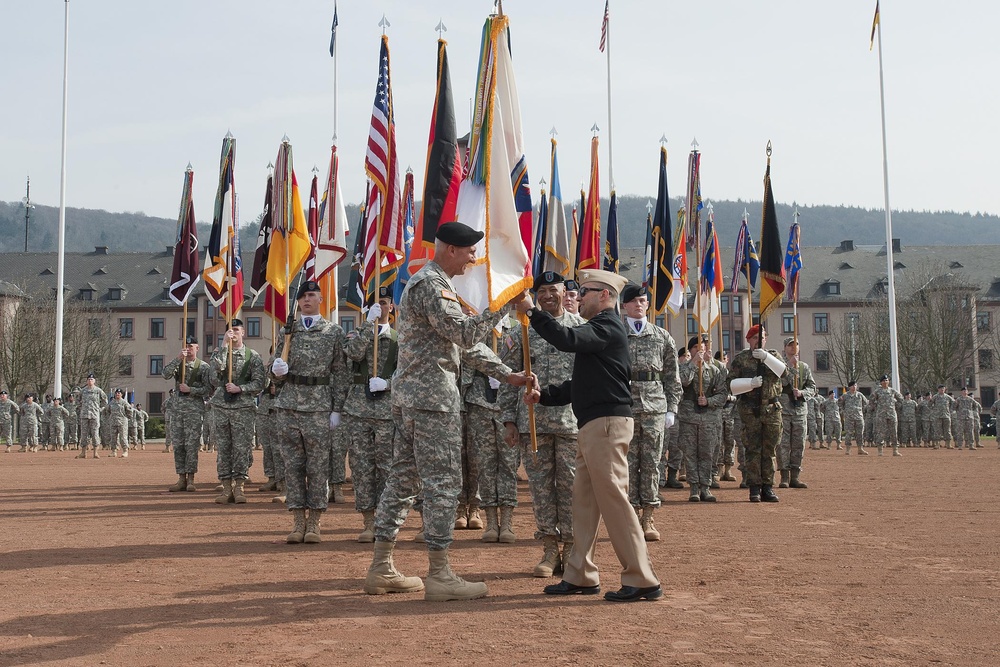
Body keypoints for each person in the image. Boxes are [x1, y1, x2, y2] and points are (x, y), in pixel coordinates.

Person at [363, 221, 535, 603]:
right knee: (443, 483)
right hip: (431, 401)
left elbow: (464, 347)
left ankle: (381, 567)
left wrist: (508, 374)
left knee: (404, 480)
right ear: (451, 250)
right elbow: (466, 334)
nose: (475, 258)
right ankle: (440, 573)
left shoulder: (435, 283)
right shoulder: (432, 284)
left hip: (415, 399)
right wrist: (504, 304)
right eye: (471, 251)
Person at [521, 267, 662, 603]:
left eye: (585, 292)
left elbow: (566, 339)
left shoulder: (608, 325)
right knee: (583, 503)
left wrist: (531, 311)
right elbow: (581, 383)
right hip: (594, 425)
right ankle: (580, 573)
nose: (578, 297)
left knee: (613, 500)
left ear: (604, 296)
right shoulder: (600, 330)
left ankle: (642, 578)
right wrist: (547, 396)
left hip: (606, 426)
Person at [500, 271, 584, 575]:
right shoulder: (521, 331)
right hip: (532, 422)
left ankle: (573, 549)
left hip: (572, 423)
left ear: (565, 292)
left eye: (554, 290)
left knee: (573, 489)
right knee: (541, 491)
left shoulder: (581, 329)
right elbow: (508, 377)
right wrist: (509, 420)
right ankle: (549, 550)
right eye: (542, 291)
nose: (548, 295)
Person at [269, 280, 348, 544]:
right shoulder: (288, 331)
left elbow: (339, 372)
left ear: (321, 300)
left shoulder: (333, 332)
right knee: (292, 466)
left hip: (318, 405)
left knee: (317, 466)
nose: (306, 300)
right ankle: (297, 521)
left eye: (311, 295)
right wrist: (276, 370)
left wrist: (337, 408)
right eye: (302, 296)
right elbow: (276, 368)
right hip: (289, 403)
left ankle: (314, 521)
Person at [621, 283, 680, 535]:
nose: (638, 304)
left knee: (653, 462)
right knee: (628, 463)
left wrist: (672, 408)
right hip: (626, 405)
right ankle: (631, 514)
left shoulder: (662, 336)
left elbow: (672, 376)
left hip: (655, 406)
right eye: (633, 301)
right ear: (623, 306)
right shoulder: (617, 335)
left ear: (647, 304)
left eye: (643, 300)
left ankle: (648, 516)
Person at [343, 287, 399, 542]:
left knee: (387, 467)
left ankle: (385, 520)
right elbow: (353, 353)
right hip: (358, 410)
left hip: (387, 411)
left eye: (385, 303)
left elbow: (408, 374)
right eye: (376, 303)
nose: (381, 307)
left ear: (392, 308)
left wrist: (389, 384)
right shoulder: (358, 334)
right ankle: (368, 521)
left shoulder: (400, 340)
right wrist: (367, 325)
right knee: (362, 467)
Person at [207, 318, 266, 504]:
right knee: (223, 448)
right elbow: (215, 375)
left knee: (242, 448)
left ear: (243, 332)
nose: (233, 333)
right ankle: (226, 487)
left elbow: (259, 383)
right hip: (222, 407)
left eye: (236, 330)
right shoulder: (219, 353)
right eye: (229, 331)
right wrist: (223, 345)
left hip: (243, 407)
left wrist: (240, 388)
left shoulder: (252, 356)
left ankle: (239, 486)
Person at [727, 324, 787, 503]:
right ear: (748, 340)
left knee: (769, 450)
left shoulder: (774, 356)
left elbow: (784, 373)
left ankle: (768, 487)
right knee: (753, 450)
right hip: (750, 410)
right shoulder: (742, 359)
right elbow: (730, 384)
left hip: (771, 409)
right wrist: (750, 383)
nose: (758, 341)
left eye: (761, 338)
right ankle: (754, 487)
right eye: (755, 338)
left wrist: (766, 358)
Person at [678, 336, 728, 502]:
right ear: (690, 350)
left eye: (703, 348)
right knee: (690, 453)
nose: (699, 351)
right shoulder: (682, 367)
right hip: (688, 418)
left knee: (707, 453)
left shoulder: (714, 370)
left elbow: (722, 394)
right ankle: (693, 487)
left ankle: (705, 487)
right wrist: (693, 364)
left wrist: (709, 401)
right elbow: (683, 382)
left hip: (708, 419)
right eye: (695, 348)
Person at [162, 339, 209, 490]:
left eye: (191, 346)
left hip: (194, 410)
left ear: (197, 348)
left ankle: (191, 479)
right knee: (179, 445)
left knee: (191, 445)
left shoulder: (203, 367)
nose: (188, 349)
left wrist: (191, 390)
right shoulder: (179, 364)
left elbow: (208, 390)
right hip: (177, 410)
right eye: (187, 346)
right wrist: (178, 358)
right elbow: (165, 374)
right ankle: (181, 478)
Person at [777, 337, 817, 488]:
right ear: (785, 348)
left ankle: (795, 475)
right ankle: (784, 476)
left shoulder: (804, 367)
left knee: (799, 444)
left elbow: (812, 387)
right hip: (784, 410)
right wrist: (790, 368)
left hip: (799, 410)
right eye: (790, 345)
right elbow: (779, 384)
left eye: (797, 345)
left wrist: (802, 393)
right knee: (783, 445)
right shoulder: (780, 366)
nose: (794, 348)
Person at [870, 374, 904, 456]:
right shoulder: (877, 391)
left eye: (886, 380)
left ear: (888, 381)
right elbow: (871, 400)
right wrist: (875, 407)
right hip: (881, 414)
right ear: (881, 382)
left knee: (894, 432)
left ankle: (895, 450)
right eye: (883, 381)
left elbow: (901, 399)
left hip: (891, 414)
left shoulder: (892, 391)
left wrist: (896, 406)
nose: (885, 382)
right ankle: (880, 450)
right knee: (881, 432)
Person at [76, 374, 108, 458]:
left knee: (95, 434)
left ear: (94, 381)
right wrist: (81, 408)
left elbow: (105, 401)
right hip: (84, 415)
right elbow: (77, 401)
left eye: (91, 379)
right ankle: (83, 453)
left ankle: (95, 453)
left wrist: (100, 409)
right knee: (84, 434)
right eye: (89, 379)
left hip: (94, 415)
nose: (90, 381)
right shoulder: (83, 391)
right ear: (86, 381)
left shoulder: (98, 391)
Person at [839, 381, 869, 455]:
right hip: (849, 418)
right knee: (849, 433)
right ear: (849, 387)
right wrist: (843, 412)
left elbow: (866, 403)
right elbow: (839, 404)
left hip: (859, 417)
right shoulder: (845, 395)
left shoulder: (860, 395)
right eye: (852, 386)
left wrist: (861, 411)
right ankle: (848, 449)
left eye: (855, 385)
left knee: (860, 434)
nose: (854, 387)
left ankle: (860, 449)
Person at [104, 388, 134, 457]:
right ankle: (113, 451)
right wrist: (110, 418)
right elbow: (107, 410)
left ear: (122, 394)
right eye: (116, 393)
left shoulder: (124, 403)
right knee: (113, 437)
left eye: (119, 393)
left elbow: (130, 411)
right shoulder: (112, 402)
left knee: (123, 437)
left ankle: (125, 451)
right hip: (113, 422)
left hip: (122, 422)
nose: (117, 394)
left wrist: (127, 418)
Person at [928, 384, 955, 449]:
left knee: (947, 430)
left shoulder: (948, 397)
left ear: (945, 389)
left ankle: (948, 444)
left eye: (943, 388)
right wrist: (934, 410)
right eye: (940, 389)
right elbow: (929, 404)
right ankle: (937, 444)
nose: (942, 390)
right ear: (938, 389)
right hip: (938, 416)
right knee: (937, 430)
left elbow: (954, 403)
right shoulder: (935, 397)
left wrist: (950, 410)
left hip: (946, 416)